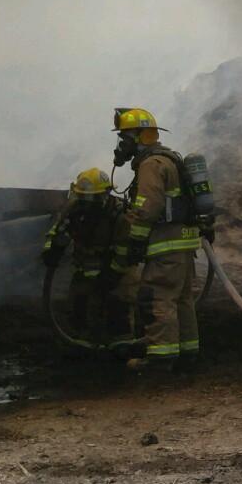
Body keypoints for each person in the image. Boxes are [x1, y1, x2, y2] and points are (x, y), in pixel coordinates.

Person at [106, 108, 201, 371]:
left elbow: (147, 208)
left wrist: (135, 241)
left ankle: (161, 358)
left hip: (165, 245)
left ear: (139, 136)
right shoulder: (169, 159)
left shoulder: (150, 165)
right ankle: (186, 351)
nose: (121, 144)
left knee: (156, 297)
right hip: (182, 243)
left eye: (125, 138)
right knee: (181, 299)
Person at [41, 167, 133, 349]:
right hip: (84, 270)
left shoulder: (120, 214)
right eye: (83, 197)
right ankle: (82, 346)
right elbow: (56, 231)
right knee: (79, 308)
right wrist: (52, 250)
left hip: (116, 271)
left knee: (117, 306)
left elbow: (126, 251)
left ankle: (122, 345)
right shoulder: (74, 209)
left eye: (92, 198)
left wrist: (113, 273)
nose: (87, 202)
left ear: (105, 194)